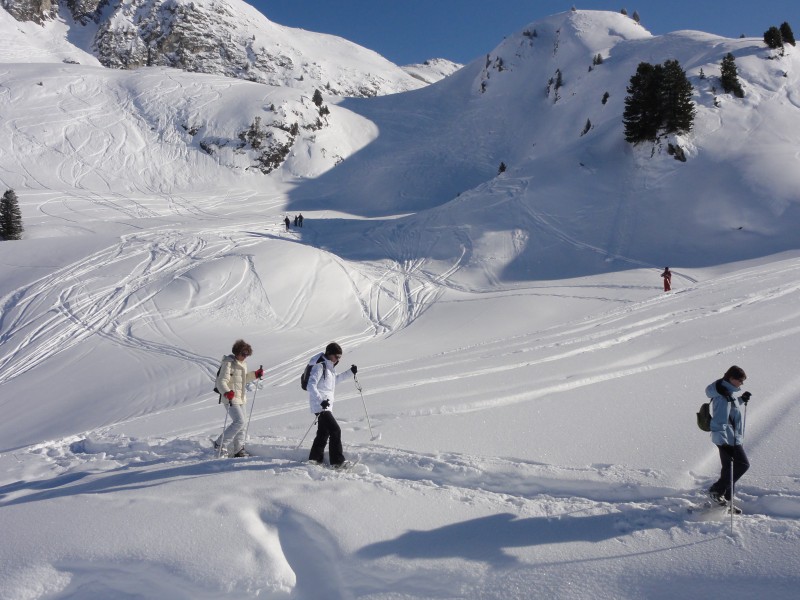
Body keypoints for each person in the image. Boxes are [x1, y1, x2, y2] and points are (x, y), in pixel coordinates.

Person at [706, 365, 751, 511]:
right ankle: (716, 491)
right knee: (743, 465)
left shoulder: (727, 392)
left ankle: (726, 503)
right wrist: (724, 444)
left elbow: (732, 406)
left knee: (729, 470)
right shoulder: (723, 396)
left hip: (731, 438)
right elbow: (719, 422)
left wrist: (742, 400)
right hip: (728, 440)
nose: (741, 384)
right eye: (740, 380)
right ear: (731, 378)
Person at [307, 342, 358, 468]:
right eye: (336, 356)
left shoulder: (330, 369)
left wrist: (350, 372)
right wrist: (320, 401)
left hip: (326, 406)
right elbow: (310, 385)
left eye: (340, 357)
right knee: (335, 430)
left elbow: (336, 380)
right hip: (320, 405)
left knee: (323, 433)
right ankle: (337, 462)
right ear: (329, 354)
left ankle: (314, 459)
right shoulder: (320, 367)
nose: (338, 359)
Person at [214, 340, 264, 457]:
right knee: (239, 421)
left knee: (243, 424)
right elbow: (221, 381)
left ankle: (238, 449)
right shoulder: (228, 363)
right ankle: (220, 444)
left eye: (247, 354)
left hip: (241, 397)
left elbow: (242, 380)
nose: (244, 356)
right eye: (243, 353)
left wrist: (255, 374)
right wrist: (226, 392)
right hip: (230, 397)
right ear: (237, 352)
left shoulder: (243, 364)